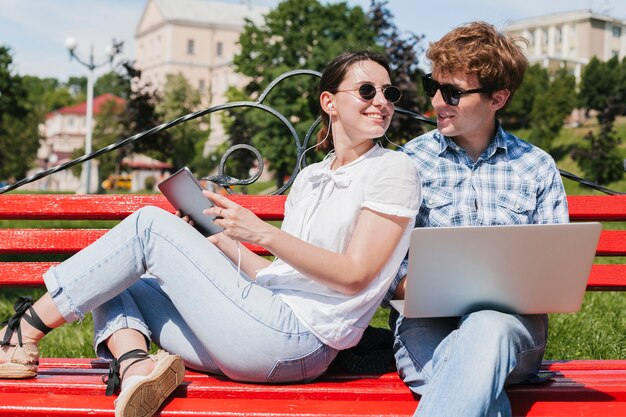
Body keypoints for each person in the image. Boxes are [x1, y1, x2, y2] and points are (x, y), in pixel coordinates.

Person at [0, 51, 421, 417]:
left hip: (299, 343)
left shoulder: (393, 170)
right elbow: (281, 275)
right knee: (113, 278)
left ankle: (21, 334)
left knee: (148, 225)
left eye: (389, 94)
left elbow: (356, 275)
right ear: (329, 102)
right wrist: (222, 243)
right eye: (367, 91)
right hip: (260, 325)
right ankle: (136, 368)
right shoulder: (312, 177)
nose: (381, 102)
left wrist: (263, 232)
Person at [382, 22, 569, 417]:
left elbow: (555, 275)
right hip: (426, 325)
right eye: (431, 86)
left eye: (452, 92)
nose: (435, 101)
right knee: (474, 384)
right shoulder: (407, 164)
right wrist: (407, 284)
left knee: (486, 326)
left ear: (497, 98)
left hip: (511, 329)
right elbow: (383, 269)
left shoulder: (536, 167)